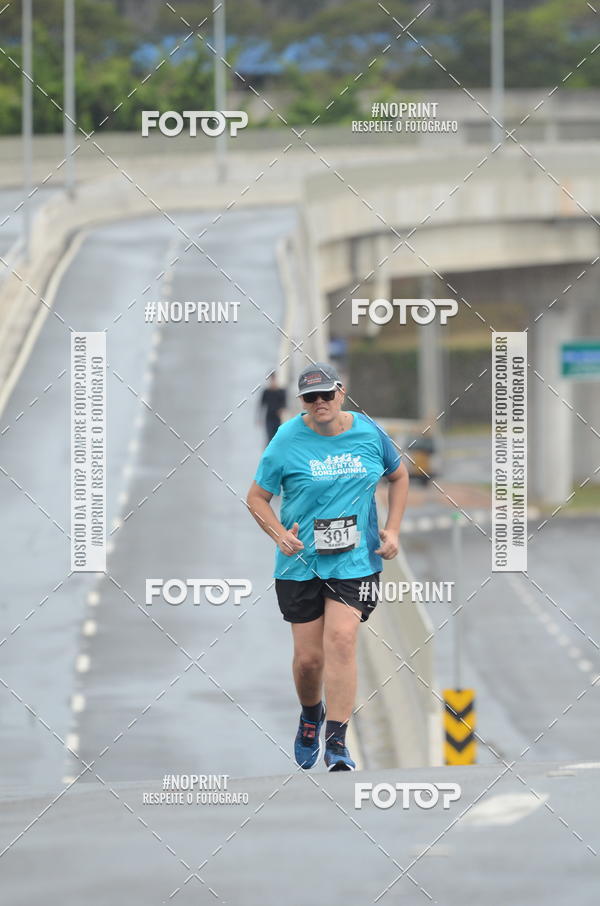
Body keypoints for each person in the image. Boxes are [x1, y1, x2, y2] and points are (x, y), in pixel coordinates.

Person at [246, 362, 409, 771]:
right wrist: (279, 535)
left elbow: (400, 476)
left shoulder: (369, 432)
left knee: (341, 640)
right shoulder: (286, 439)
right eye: (310, 397)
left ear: (341, 392)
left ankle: (337, 742)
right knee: (308, 662)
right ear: (301, 401)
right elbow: (256, 498)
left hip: (356, 562)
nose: (319, 403)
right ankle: (310, 715)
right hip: (300, 563)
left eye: (326, 394)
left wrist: (392, 530)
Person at [258, 373, 287, 444]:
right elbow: (261, 405)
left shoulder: (281, 391)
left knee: (277, 436)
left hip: (277, 417)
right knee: (269, 437)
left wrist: (282, 410)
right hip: (269, 417)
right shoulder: (266, 392)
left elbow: (284, 404)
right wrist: (259, 418)